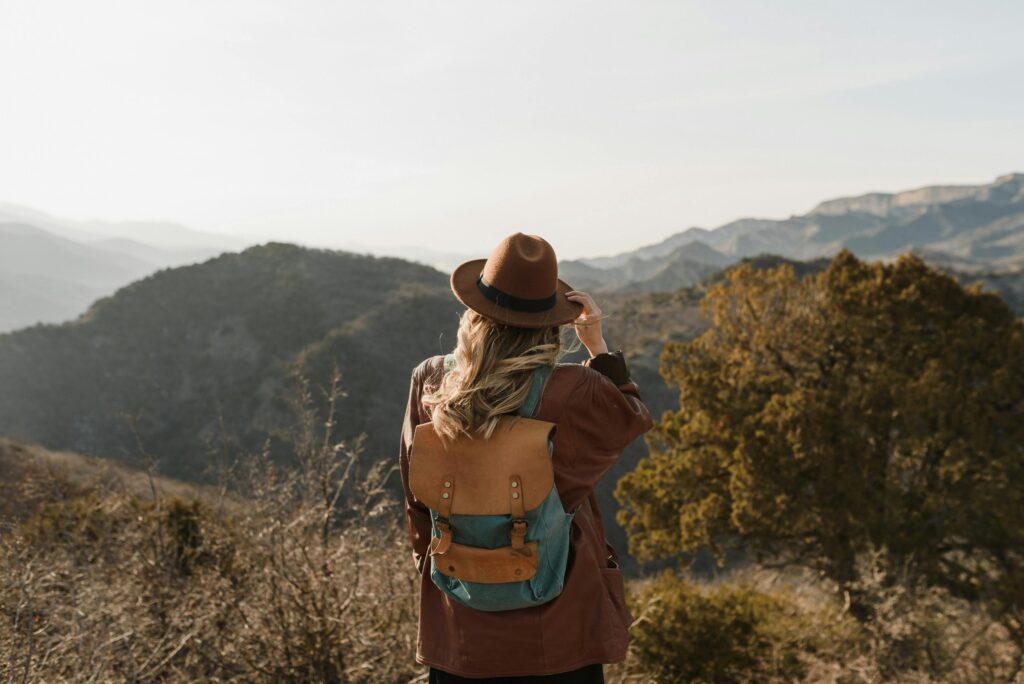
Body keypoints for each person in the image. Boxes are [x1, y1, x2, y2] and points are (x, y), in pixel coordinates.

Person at [398, 232, 654, 682]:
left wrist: (453, 571)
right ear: (551, 323)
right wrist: (597, 345)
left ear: (475, 312)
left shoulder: (431, 381)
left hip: (459, 631)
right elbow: (630, 417)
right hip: (559, 635)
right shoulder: (575, 391)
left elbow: (416, 501)